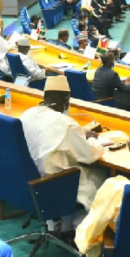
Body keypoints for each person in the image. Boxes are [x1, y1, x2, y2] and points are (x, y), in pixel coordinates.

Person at [20, 76, 105, 235]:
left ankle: (58, 224)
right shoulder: (65, 123)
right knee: (100, 177)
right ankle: (76, 231)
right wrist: (94, 140)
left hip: (30, 180)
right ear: (66, 99)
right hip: (54, 183)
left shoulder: (27, 114)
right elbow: (90, 155)